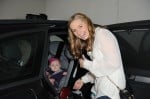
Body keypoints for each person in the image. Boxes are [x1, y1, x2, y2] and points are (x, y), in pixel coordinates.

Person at [68, 12, 126, 99]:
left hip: (109, 93)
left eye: (80, 26)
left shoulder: (102, 34)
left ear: (87, 22)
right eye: (74, 30)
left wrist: (86, 64)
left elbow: (112, 64)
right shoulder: (92, 40)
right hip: (98, 91)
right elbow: (99, 71)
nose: (78, 33)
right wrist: (83, 80)